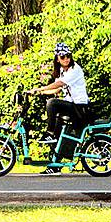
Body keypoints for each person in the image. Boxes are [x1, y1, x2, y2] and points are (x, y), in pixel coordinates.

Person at [27, 42, 89, 175]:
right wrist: (39, 92)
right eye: (62, 57)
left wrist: (40, 88)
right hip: (70, 106)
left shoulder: (75, 69)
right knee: (59, 134)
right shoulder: (62, 71)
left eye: (68, 56)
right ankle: (55, 165)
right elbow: (58, 89)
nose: (66, 59)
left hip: (79, 107)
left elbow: (59, 83)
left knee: (52, 103)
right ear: (57, 59)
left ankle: (49, 133)